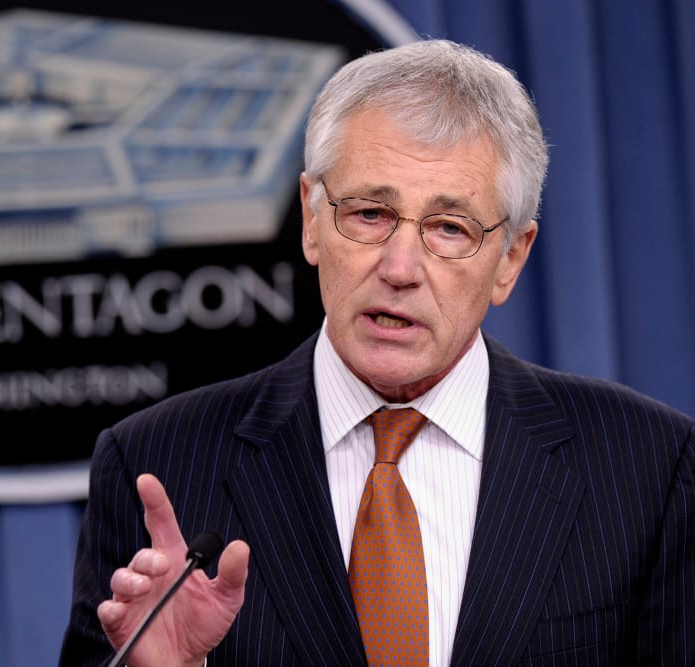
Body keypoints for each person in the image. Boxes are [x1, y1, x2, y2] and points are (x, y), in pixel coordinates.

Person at [59, 38, 694, 666]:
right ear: (311, 220)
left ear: (510, 260)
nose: (400, 268)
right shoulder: (155, 462)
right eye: (369, 214)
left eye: (450, 228)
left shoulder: (647, 466)